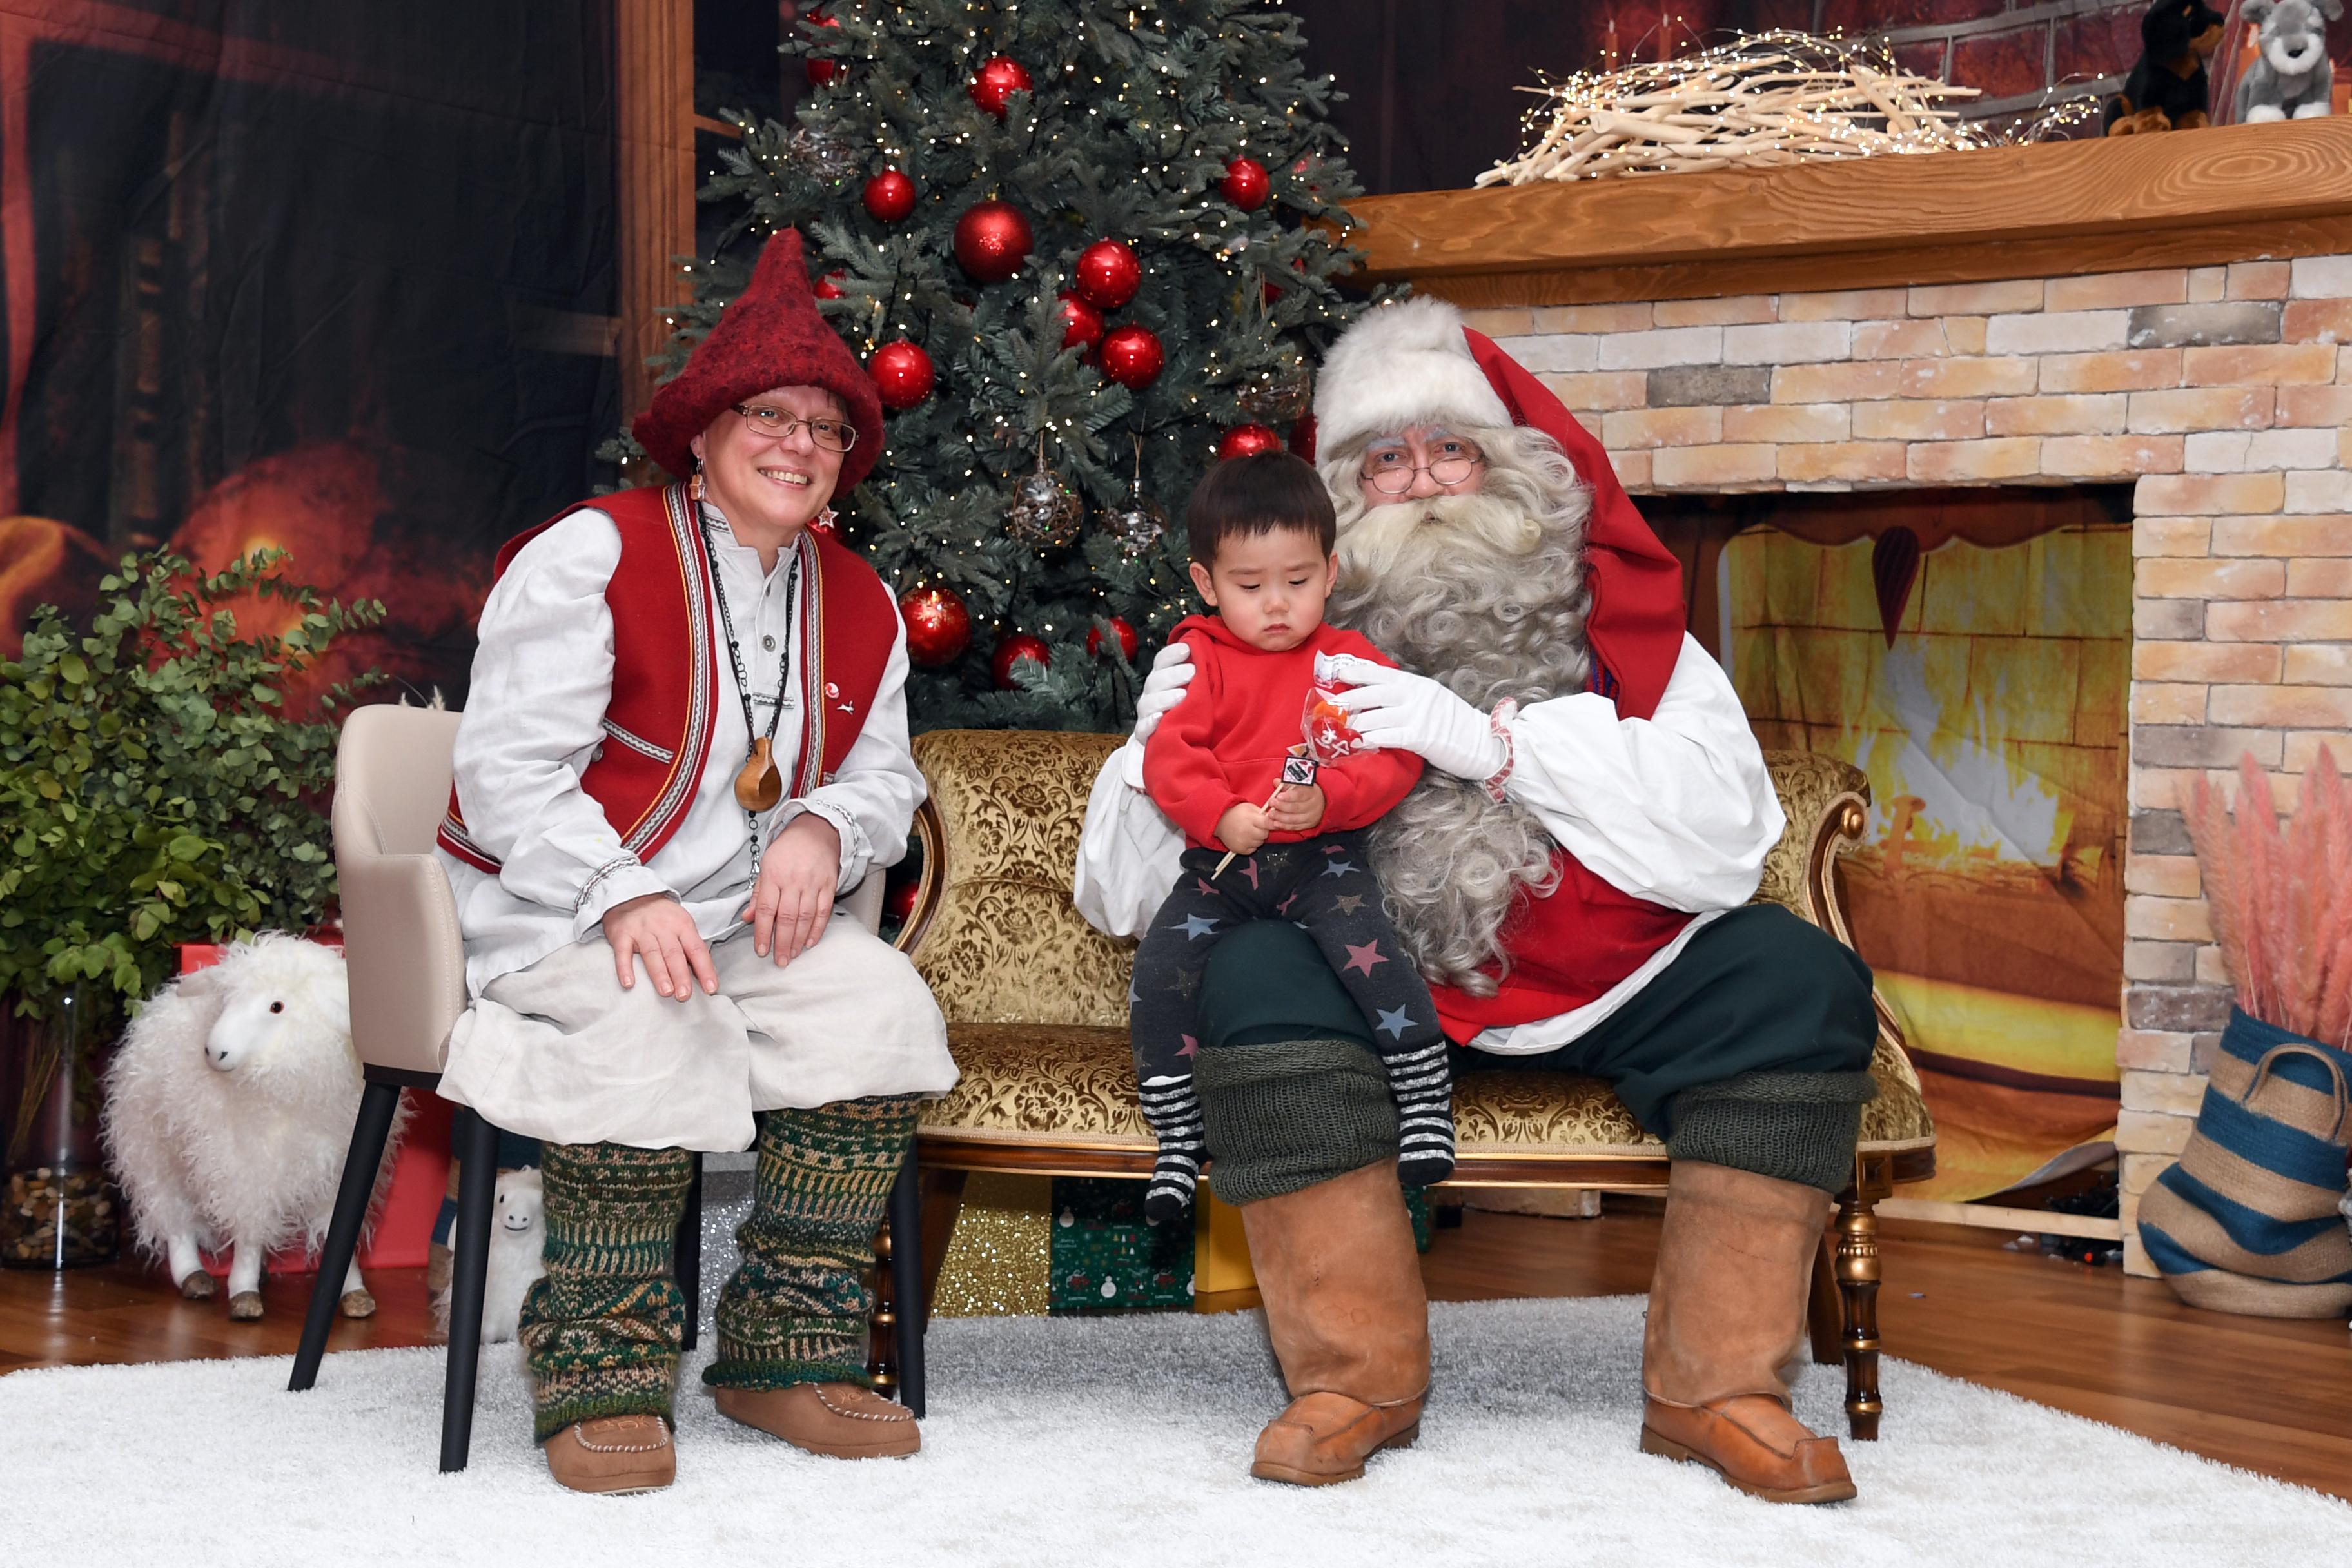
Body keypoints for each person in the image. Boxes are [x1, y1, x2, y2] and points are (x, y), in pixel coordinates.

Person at [1077, 297, 1878, 1502]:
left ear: (1515, 471)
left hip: (1609, 982)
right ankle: (1354, 1377)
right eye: (1383, 460)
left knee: (1796, 977)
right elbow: (1122, 898)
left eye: (1451, 447)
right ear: (1337, 506)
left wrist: (1483, 741)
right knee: (1245, 970)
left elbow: (1723, 846)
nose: (1425, 483)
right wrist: (1152, 756)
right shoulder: (1257, 634)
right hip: (1363, 980)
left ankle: (1718, 1388)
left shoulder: (1625, 625)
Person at [432, 228, 957, 1495]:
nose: (798, 445)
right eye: (768, 415)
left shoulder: (863, 598)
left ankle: (784, 1347)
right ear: (705, 435)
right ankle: (598, 1372)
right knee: (651, 1009)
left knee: (880, 1002)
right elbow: (504, 773)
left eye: (827, 430)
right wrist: (625, 890)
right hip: (565, 907)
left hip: (742, 924)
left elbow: (885, 772)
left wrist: (829, 826)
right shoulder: (594, 553)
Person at [1130, 452, 1453, 1225]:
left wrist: (1332, 800)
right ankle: (1177, 1139)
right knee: (1160, 972)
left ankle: (1425, 1103)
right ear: (1208, 584)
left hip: (1320, 858)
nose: (1277, 603)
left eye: (1298, 581)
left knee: (1372, 953)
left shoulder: (1348, 663)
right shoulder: (1197, 660)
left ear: (1332, 571)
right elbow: (1170, 757)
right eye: (1250, 586)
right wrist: (1217, 814)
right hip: (1222, 865)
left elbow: (1398, 756)